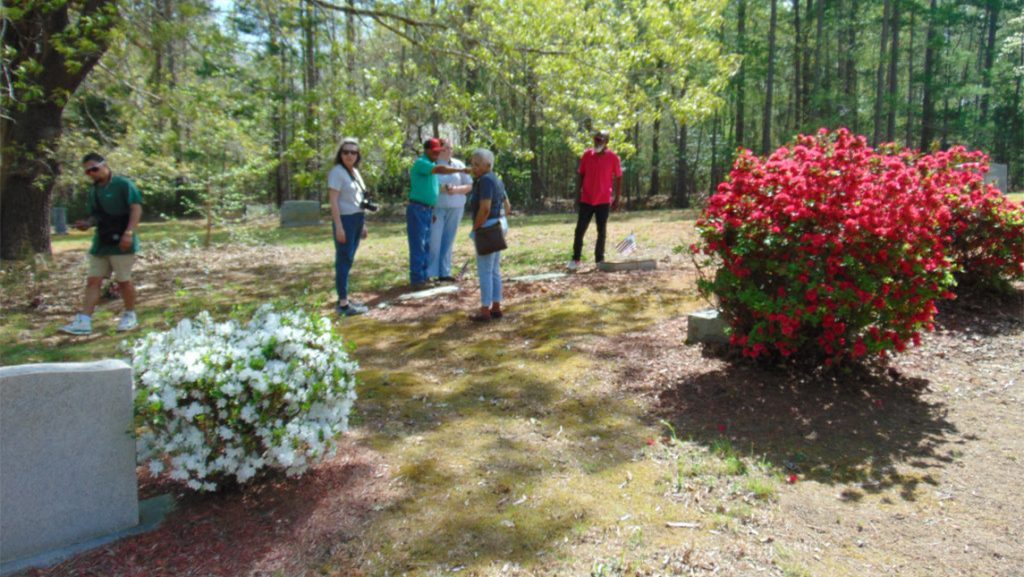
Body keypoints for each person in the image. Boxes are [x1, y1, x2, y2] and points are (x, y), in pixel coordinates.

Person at [60, 153, 143, 336]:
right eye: (88, 171)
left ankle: (130, 314)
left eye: (94, 169)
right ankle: (84, 321)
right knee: (93, 280)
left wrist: (129, 233)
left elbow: (136, 208)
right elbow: (96, 215)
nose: (92, 174)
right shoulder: (93, 191)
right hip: (102, 241)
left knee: (123, 280)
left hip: (122, 240)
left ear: (104, 166)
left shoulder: (123, 185)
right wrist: (88, 223)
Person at [407, 138, 470, 288]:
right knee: (420, 244)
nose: (437, 154)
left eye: (438, 151)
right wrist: (460, 170)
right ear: (427, 150)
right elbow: (438, 171)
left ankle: (428, 277)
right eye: (435, 151)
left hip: (428, 208)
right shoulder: (423, 163)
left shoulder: (433, 163)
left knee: (427, 244)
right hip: (419, 208)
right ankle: (419, 279)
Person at [568, 130, 622, 271]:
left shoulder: (613, 158)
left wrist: (617, 198)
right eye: (595, 139)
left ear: (606, 142)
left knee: (601, 231)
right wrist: (577, 195)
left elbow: (619, 177)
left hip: (603, 200)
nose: (597, 142)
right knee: (580, 230)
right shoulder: (586, 155)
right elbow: (581, 174)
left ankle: (599, 260)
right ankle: (576, 259)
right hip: (586, 198)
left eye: (600, 140)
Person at [467, 148, 511, 322]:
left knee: (485, 271)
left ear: (488, 165)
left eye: (477, 164)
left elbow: (484, 209)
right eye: (472, 164)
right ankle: (496, 307)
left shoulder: (485, 180)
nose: (474, 167)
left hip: (488, 227)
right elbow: (508, 207)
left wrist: (476, 229)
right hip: (499, 225)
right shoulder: (497, 180)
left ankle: (485, 311)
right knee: (494, 270)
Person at [328, 137, 370, 316]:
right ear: (340, 154)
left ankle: (344, 296)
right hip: (345, 220)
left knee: (349, 259)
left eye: (353, 152)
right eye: (346, 152)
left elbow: (359, 200)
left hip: (357, 218)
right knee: (343, 260)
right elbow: (334, 201)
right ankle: (343, 304)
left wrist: (363, 223)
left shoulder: (354, 172)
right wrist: (339, 227)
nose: (350, 155)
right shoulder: (337, 172)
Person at [428, 140, 473, 282]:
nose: (449, 150)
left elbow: (470, 185)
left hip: (456, 207)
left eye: (451, 148)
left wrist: (457, 190)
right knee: (434, 240)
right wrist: (444, 188)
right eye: (446, 148)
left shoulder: (458, 165)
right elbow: (430, 184)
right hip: (437, 207)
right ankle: (430, 272)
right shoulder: (432, 164)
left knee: (448, 239)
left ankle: (444, 272)